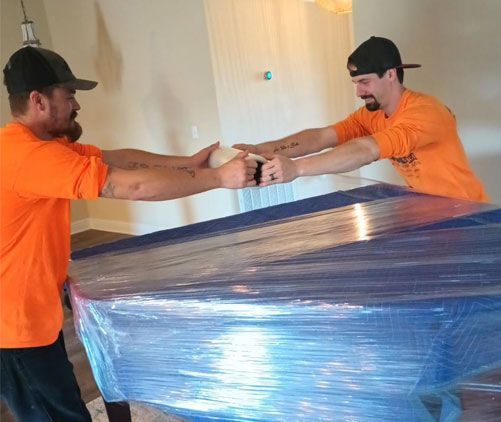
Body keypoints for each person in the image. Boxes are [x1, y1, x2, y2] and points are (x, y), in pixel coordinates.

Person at [0, 46, 257, 421]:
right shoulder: (30, 158)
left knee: (62, 403)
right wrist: (218, 178)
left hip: (32, 312)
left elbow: (114, 158)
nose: (76, 105)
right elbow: (129, 186)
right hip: (14, 328)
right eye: (69, 95)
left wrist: (186, 163)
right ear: (38, 100)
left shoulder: (38, 147)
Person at [235, 36, 489, 203]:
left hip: (469, 213)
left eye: (364, 82)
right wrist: (262, 149)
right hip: (430, 210)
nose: (359, 92)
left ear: (390, 74)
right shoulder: (371, 113)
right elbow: (323, 136)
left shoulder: (426, 112)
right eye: (356, 83)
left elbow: (367, 149)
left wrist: (297, 168)